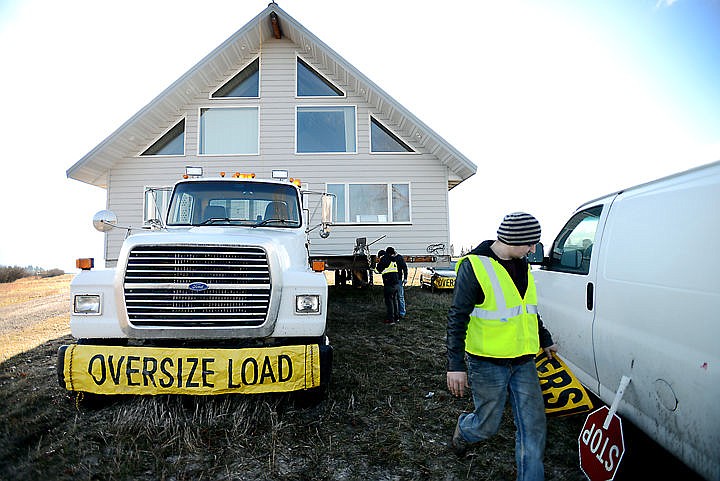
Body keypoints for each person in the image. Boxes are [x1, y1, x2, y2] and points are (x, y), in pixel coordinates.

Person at [446, 212, 558, 481]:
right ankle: (465, 430)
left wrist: (544, 338)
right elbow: (457, 317)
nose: (533, 249)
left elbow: (527, 309)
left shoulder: (523, 264)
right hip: (487, 363)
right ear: (514, 239)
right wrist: (455, 366)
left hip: (523, 361)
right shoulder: (474, 266)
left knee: (533, 425)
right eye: (530, 243)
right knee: (487, 425)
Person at [376, 248, 402, 324]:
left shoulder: (384, 259)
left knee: (389, 302)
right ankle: (396, 318)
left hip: (389, 284)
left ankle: (391, 319)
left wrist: (373, 268)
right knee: (395, 301)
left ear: (380, 256)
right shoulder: (393, 260)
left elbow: (378, 270)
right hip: (396, 284)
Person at [387, 247, 408, 318]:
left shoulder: (399, 258)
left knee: (400, 297)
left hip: (398, 280)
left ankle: (402, 313)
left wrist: (405, 278)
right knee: (393, 298)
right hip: (391, 281)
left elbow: (405, 268)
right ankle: (395, 313)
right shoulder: (389, 258)